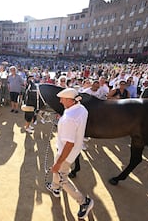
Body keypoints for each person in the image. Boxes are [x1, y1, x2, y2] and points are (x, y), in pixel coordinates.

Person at [45, 88, 94, 219]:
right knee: (58, 175)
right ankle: (55, 187)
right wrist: (61, 119)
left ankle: (84, 202)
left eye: (62, 99)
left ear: (69, 100)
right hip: (74, 151)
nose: (60, 101)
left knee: (63, 179)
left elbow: (69, 144)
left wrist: (58, 163)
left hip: (65, 154)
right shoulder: (81, 108)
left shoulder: (69, 119)